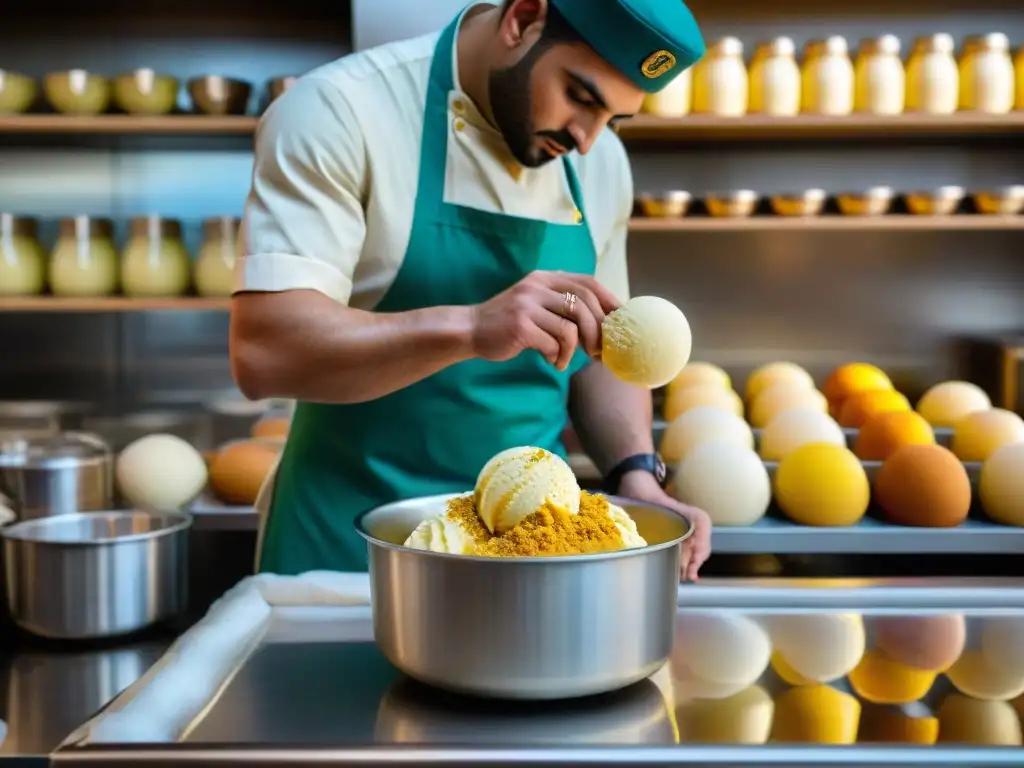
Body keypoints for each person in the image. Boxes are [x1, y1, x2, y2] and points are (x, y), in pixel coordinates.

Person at [230, 0, 712, 578]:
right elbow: (265, 352)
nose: (588, 140)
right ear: (522, 19)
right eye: (581, 96)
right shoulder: (341, 111)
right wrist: (472, 327)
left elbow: (598, 347)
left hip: (532, 550)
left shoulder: (600, 159)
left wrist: (636, 472)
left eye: (615, 118)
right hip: (349, 548)